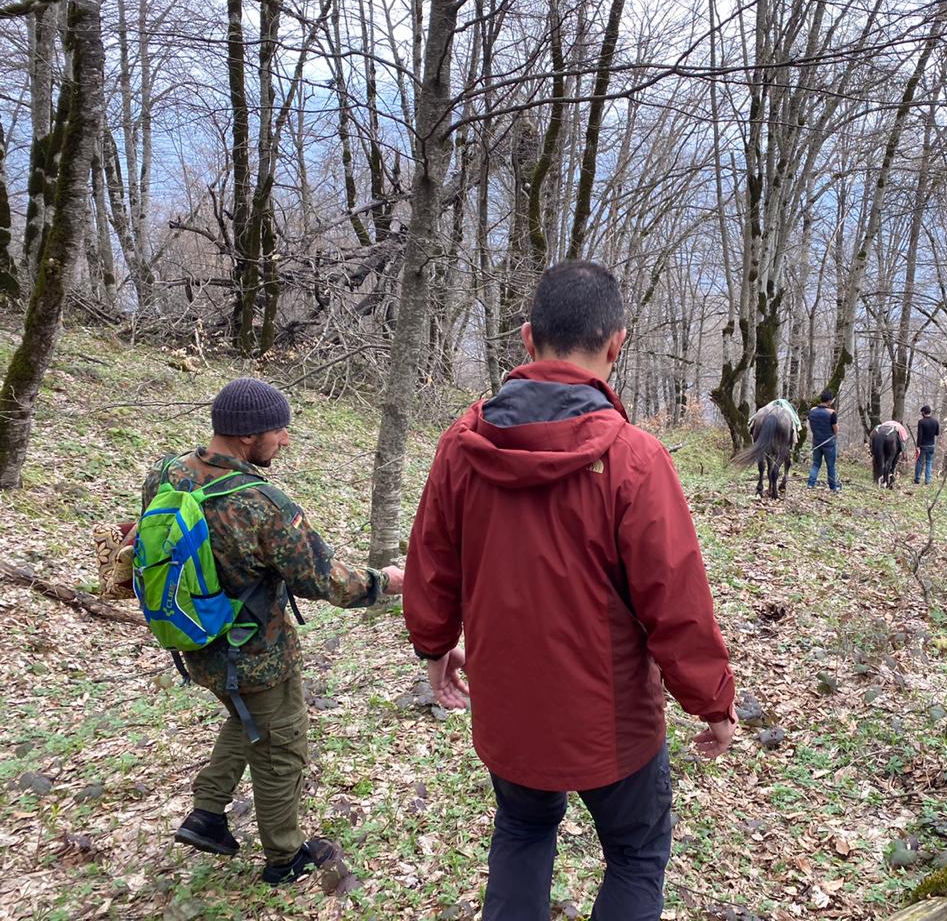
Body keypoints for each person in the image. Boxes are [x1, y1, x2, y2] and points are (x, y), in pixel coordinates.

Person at [403, 260, 737, 921]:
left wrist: (435, 645)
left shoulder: (461, 449)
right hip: (610, 724)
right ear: (617, 344)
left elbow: (432, 565)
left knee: (523, 831)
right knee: (637, 856)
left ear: (528, 339)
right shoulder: (636, 461)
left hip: (507, 711)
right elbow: (676, 604)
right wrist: (713, 701)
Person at [146, 377, 404, 884]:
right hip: (257, 651)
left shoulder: (168, 473)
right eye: (279, 430)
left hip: (197, 642)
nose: (284, 440)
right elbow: (321, 578)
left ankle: (207, 813)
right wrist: (386, 582)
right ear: (248, 435)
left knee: (245, 717)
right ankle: (285, 857)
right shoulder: (262, 503)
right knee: (280, 746)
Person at [807, 390, 840, 491]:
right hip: (829, 443)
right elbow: (836, 430)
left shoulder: (812, 410)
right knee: (831, 465)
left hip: (816, 442)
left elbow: (810, 425)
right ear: (829, 401)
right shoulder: (831, 413)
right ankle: (833, 487)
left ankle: (810, 484)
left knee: (816, 464)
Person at [914, 405, 940, 485]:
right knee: (929, 462)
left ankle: (917, 479)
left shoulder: (921, 422)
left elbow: (920, 435)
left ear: (923, 412)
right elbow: (937, 433)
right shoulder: (935, 421)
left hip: (923, 445)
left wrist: (918, 446)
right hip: (931, 445)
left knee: (919, 462)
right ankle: (927, 481)